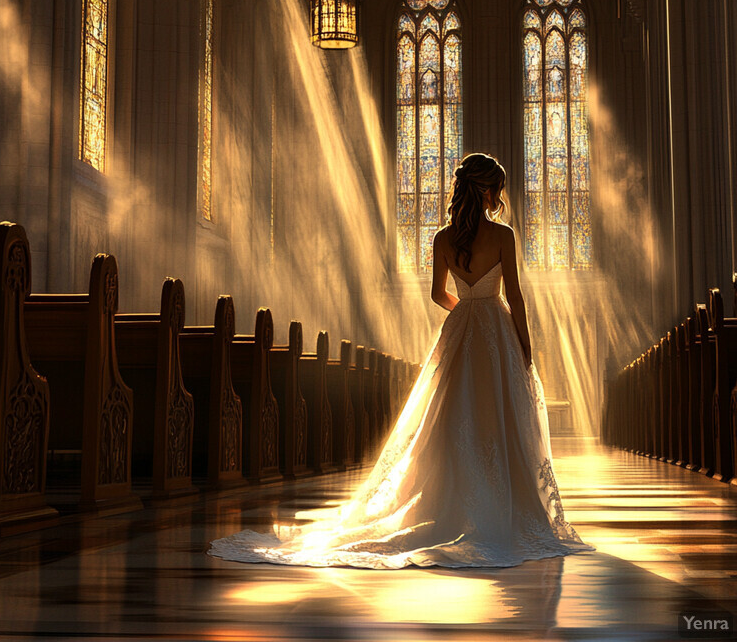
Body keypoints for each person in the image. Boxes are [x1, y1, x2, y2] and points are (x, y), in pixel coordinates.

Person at [208, 152, 595, 569]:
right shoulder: (503, 236)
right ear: (486, 190)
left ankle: (452, 498)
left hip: (461, 329)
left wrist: (464, 310)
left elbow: (436, 294)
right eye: (497, 188)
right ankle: (499, 505)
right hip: (497, 331)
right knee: (497, 414)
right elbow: (515, 297)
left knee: (450, 418)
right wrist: (523, 344)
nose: (499, 196)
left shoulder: (443, 238)